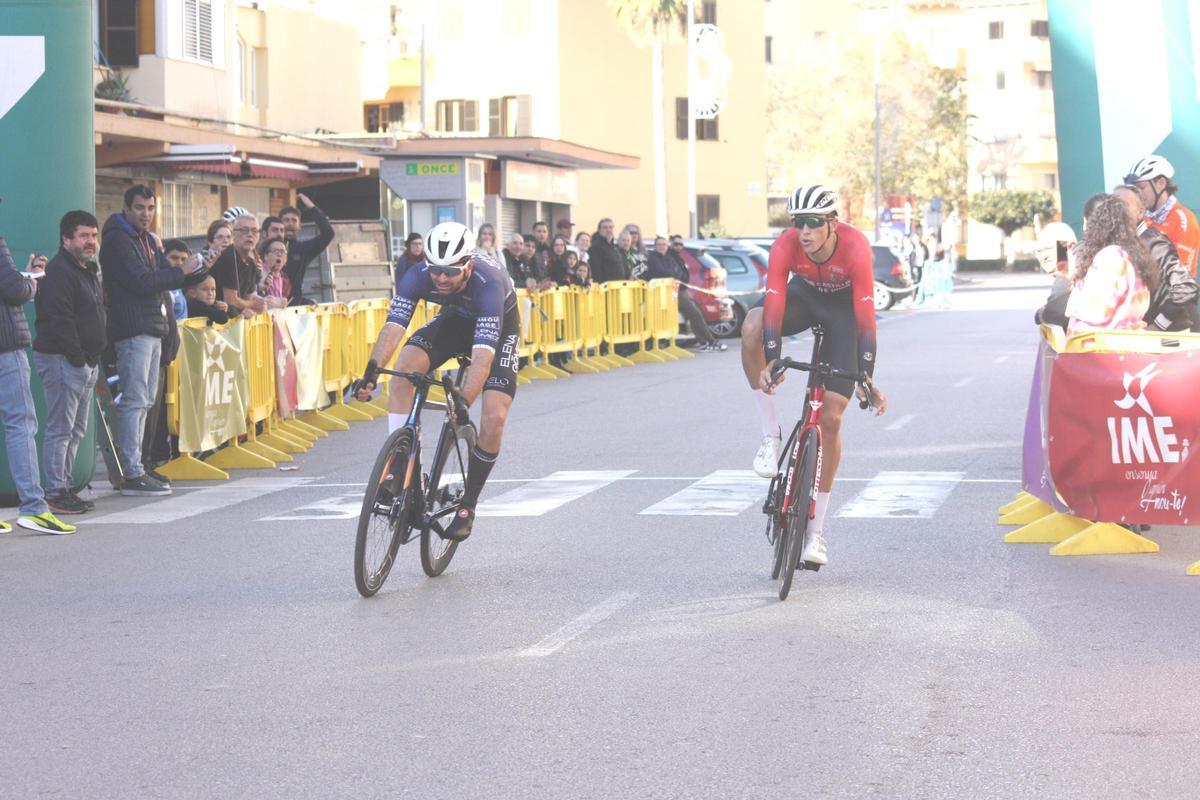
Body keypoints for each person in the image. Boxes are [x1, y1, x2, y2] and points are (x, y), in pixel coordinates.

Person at [741, 184, 887, 567]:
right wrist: (772, 358)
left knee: (831, 418)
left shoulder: (856, 248)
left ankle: (816, 533)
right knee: (752, 326)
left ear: (832, 223)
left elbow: (866, 320)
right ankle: (770, 436)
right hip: (803, 300)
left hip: (843, 313)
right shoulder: (786, 246)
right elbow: (773, 302)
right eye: (797, 223)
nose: (803, 231)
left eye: (812, 223)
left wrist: (866, 378)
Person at [354, 222, 520, 543]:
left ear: (468, 264)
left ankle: (467, 505)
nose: (441, 278)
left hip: (498, 333)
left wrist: (463, 402)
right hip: (455, 321)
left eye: (450, 271)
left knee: (495, 415)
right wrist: (372, 370)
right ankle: (399, 463)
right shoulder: (417, 274)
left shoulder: (489, 285)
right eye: (436, 270)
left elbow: (484, 357)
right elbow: (394, 327)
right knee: (403, 371)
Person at [100, 184, 208, 497]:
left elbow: (169, 273)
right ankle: (131, 471)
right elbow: (144, 282)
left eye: (150, 208)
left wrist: (198, 268)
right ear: (126, 207)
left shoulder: (146, 239)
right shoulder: (117, 241)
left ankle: (139, 465)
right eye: (140, 208)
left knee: (145, 400)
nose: (146, 215)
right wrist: (182, 270)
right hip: (133, 328)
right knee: (135, 401)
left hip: (152, 327)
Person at [0, 222, 75, 534]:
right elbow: (14, 290)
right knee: (21, 424)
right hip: (6, 345)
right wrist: (33, 278)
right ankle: (33, 507)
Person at [32, 211, 105, 515]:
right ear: (66, 239)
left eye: (93, 235)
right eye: (84, 236)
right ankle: (55, 491)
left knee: (75, 430)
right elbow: (60, 319)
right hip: (64, 361)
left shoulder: (86, 269)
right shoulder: (60, 271)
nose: (91, 242)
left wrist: (90, 359)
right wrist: (78, 358)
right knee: (61, 429)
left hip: (84, 362)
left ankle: (65, 487)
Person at [1066, 193, 1158, 333]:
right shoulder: (1135, 254)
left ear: (1088, 223)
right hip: (1126, 344)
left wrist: (1074, 301)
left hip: (1102, 347)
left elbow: (1096, 312)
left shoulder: (1111, 257)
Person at [1112, 184, 1199, 331]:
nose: (1116, 210)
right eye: (1112, 205)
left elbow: (1187, 287)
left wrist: (1158, 325)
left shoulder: (1153, 242)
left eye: (1123, 205)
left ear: (1140, 212)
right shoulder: (1118, 245)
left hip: (1177, 338)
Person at [1124, 155, 1199, 277]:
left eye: (1142, 187)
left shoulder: (1184, 220)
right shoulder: (1140, 216)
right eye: (1134, 189)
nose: (1137, 194)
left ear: (1161, 183)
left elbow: (1181, 278)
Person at [647, 235, 724, 351]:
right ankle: (708, 341)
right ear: (655, 246)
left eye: (664, 244)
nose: (662, 247)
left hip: (678, 290)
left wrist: (674, 275)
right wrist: (673, 274)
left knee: (696, 314)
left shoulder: (670, 257)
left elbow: (679, 273)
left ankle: (706, 341)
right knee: (694, 314)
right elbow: (663, 272)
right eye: (659, 245)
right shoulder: (653, 258)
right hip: (667, 294)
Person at [280, 193, 334, 305]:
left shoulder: (303, 249)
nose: (290, 223)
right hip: (269, 309)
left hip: (292, 308)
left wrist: (311, 207)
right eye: (286, 220)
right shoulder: (267, 247)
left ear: (300, 226)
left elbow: (328, 233)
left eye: (294, 220)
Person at [210, 213, 266, 319]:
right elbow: (231, 300)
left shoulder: (252, 263)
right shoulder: (228, 257)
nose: (250, 234)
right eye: (244, 230)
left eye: (254, 231)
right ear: (233, 234)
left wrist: (258, 304)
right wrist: (252, 304)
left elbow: (248, 298)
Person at [257, 237, 292, 309]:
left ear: (286, 259)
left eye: (282, 252)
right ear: (266, 256)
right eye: (275, 251)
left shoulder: (285, 280)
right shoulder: (258, 273)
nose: (279, 254)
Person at [588, 218, 623, 283]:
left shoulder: (614, 247)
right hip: (605, 287)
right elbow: (596, 271)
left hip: (617, 286)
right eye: (605, 227)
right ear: (599, 230)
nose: (608, 230)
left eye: (610, 227)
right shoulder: (596, 247)